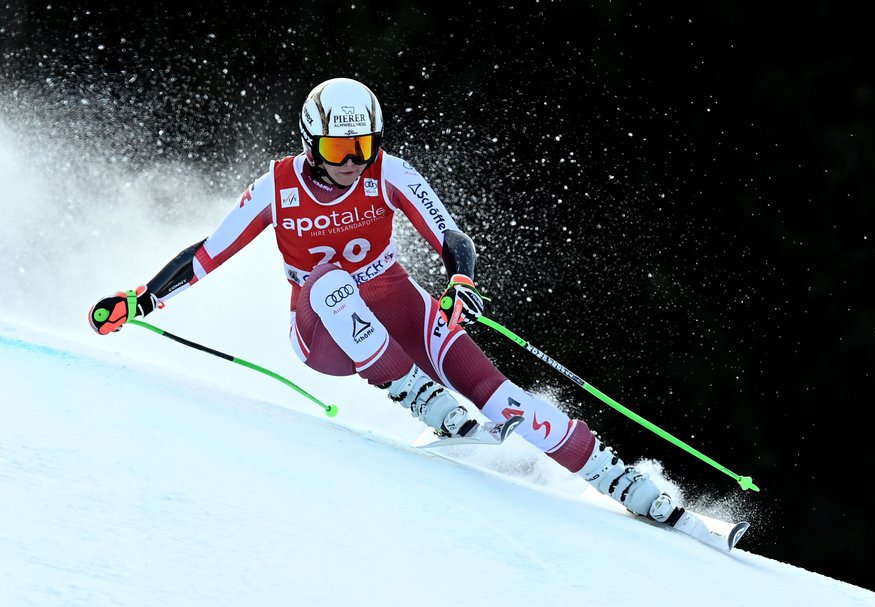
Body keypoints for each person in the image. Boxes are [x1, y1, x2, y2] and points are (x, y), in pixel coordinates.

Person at [88, 77, 676, 524]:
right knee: (331, 279)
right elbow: (207, 254)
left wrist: (460, 284)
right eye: (341, 149)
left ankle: (618, 480)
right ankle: (422, 402)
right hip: (322, 331)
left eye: (364, 146)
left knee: (499, 394)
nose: (354, 162)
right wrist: (141, 300)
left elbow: (451, 236)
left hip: (396, 301)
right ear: (312, 144)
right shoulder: (277, 187)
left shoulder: (387, 173)